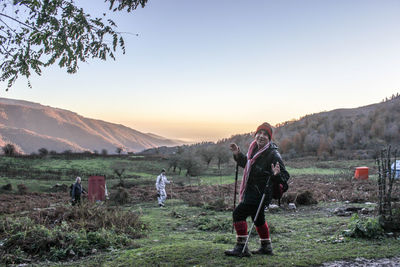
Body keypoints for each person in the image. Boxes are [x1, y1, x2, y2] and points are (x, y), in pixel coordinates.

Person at [225, 122, 290, 257]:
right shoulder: (254, 149)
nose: (261, 136)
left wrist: (276, 175)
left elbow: (285, 176)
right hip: (253, 190)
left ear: (269, 138)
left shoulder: (273, 154)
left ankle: (241, 247)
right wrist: (238, 155)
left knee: (238, 214)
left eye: (265, 134)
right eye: (259, 133)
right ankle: (266, 247)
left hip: (261, 193)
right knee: (258, 218)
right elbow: (249, 166)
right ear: (255, 134)